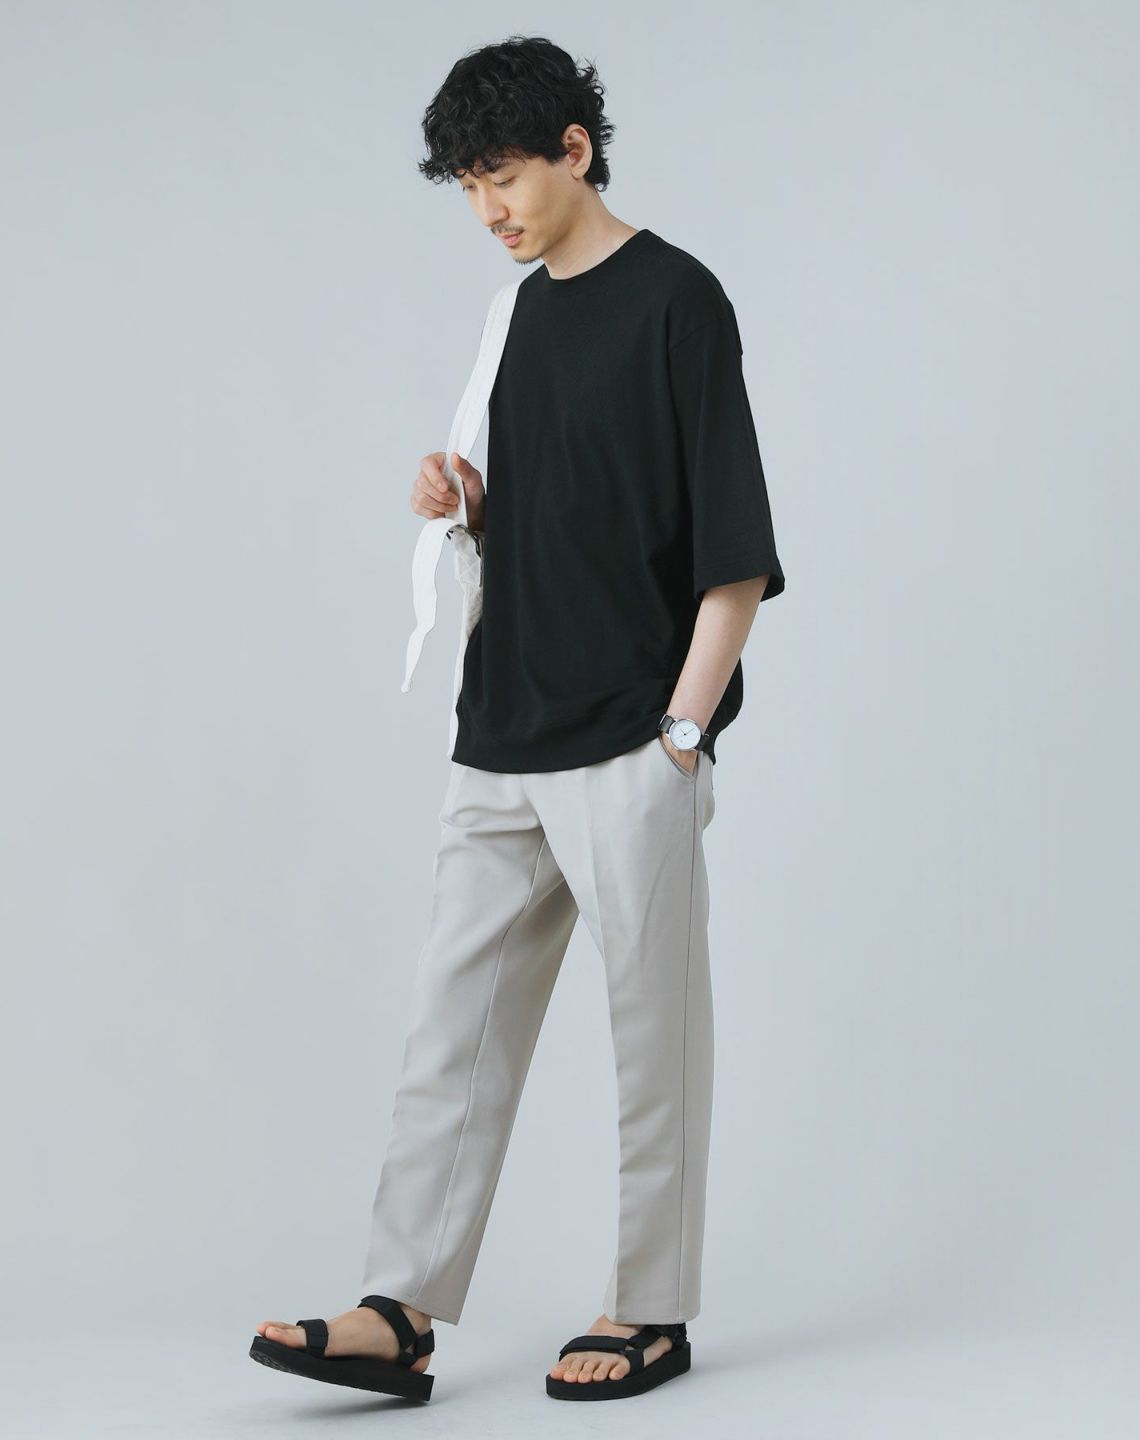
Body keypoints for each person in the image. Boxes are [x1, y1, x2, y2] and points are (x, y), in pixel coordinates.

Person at [250, 34, 785, 1403]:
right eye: (469, 188)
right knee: (453, 1032)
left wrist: (682, 736)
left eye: (502, 176)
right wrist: (471, 503)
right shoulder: (516, 317)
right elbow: (565, 509)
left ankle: (650, 1311)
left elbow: (733, 551)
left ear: (575, 149)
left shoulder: (678, 300)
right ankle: (399, 1308)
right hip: (502, 726)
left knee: (653, 1037)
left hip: (633, 736)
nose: (488, 210)